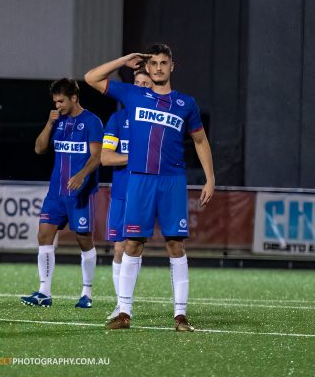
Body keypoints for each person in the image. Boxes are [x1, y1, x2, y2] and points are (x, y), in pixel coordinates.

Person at [85, 44, 215, 331]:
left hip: (172, 180)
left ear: (172, 66)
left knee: (175, 244)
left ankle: (180, 315)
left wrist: (210, 178)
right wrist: (123, 60)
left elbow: (200, 141)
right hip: (140, 179)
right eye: (153, 63)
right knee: (132, 243)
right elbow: (91, 78)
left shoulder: (186, 103)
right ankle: (124, 312)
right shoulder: (134, 94)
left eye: (163, 63)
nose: (158, 68)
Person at [20, 78, 103, 308]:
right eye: (55, 101)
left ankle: (86, 294)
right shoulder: (57, 121)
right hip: (56, 192)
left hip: (80, 193)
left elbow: (97, 157)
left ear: (74, 98)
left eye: (61, 101)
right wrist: (48, 124)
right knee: (44, 236)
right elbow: (38, 149)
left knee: (83, 239)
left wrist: (82, 175)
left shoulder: (92, 122)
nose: (58, 105)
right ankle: (44, 292)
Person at [102, 69, 152, 320]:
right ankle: (121, 305)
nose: (141, 87)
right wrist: (135, 158)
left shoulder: (156, 120)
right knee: (119, 247)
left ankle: (127, 303)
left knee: (138, 247)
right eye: (137, 83)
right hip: (122, 192)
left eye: (146, 84)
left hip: (147, 192)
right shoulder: (118, 119)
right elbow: (106, 157)